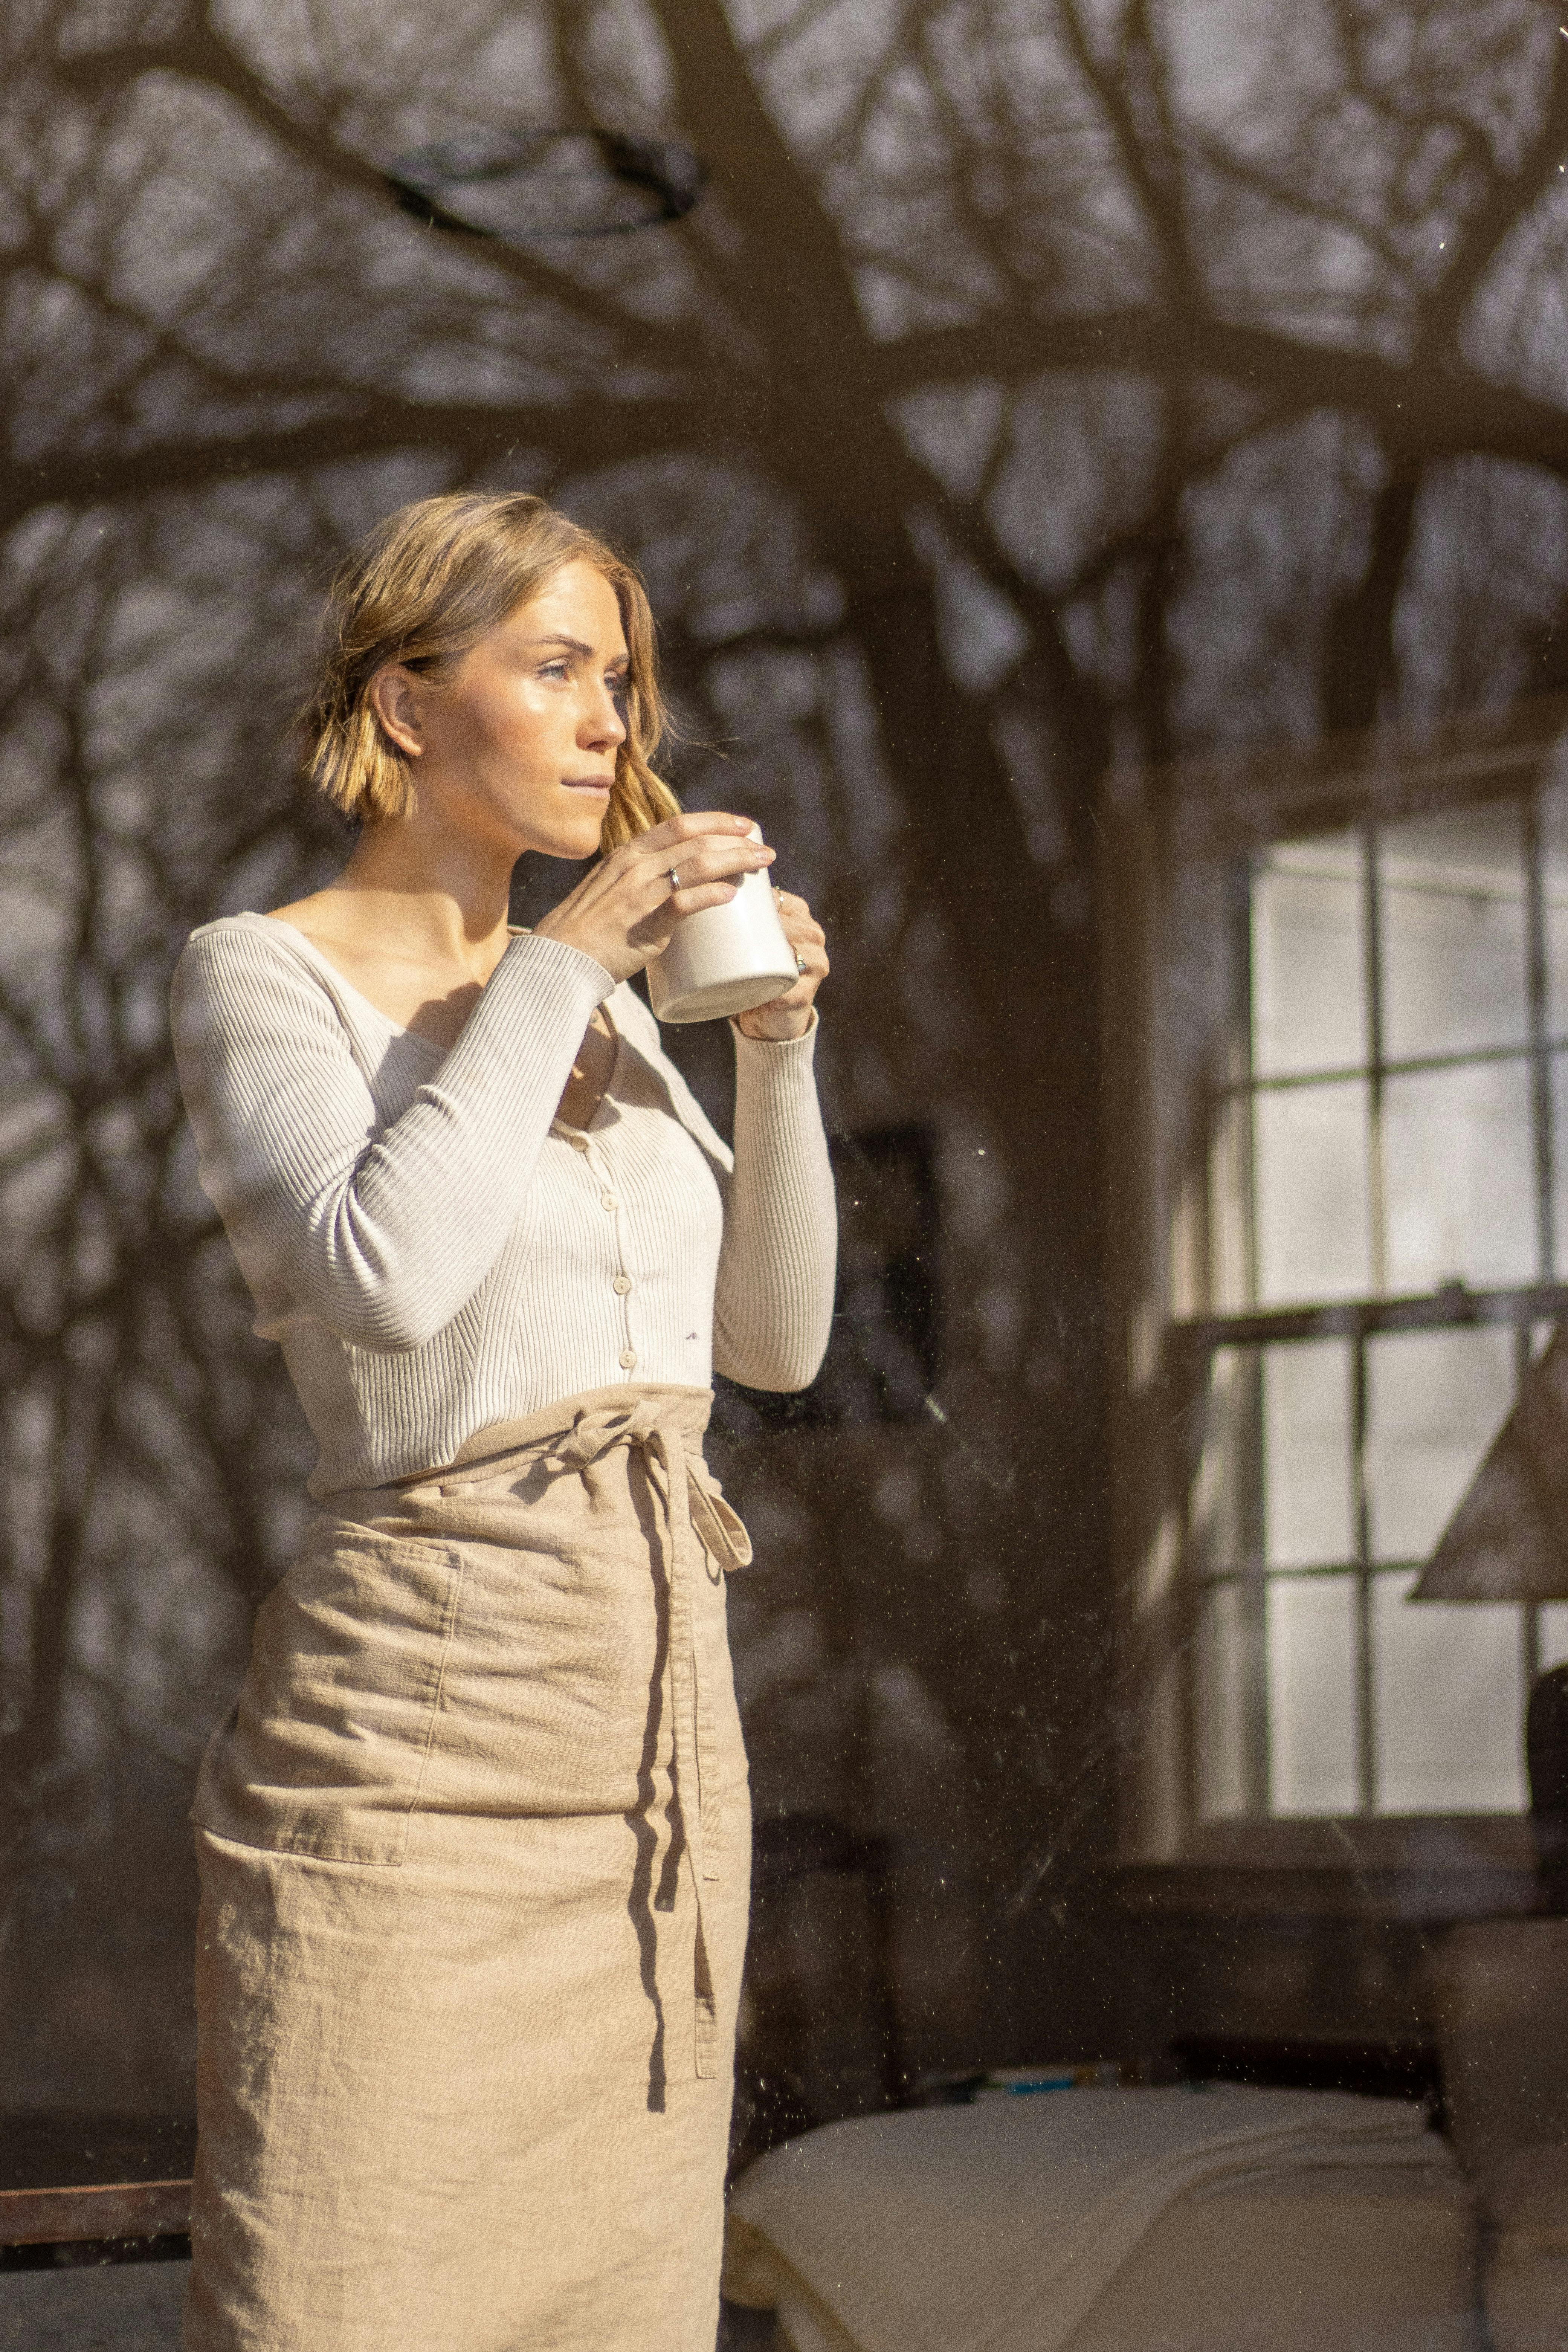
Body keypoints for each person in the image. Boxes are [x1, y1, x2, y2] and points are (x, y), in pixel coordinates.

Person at [169, 490, 837, 2352]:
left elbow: (772, 1348)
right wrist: (570, 959)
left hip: (644, 1752)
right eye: (554, 669)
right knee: (341, 2292)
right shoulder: (265, 974)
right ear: (406, 704)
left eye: (618, 679)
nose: (614, 723)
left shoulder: (607, 1026)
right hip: (411, 1756)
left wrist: (773, 1047)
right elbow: (384, 1278)